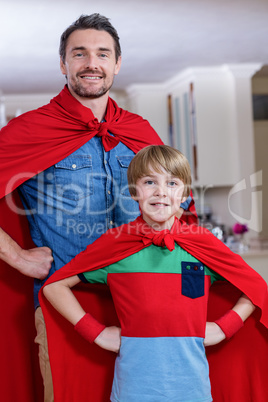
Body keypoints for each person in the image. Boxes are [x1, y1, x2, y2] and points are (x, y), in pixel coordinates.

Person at [0, 14, 197, 402]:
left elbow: (179, 219)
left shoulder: (141, 132)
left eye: (102, 54)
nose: (92, 63)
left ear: (117, 64)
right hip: (67, 308)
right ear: (64, 64)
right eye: (80, 54)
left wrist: (192, 302)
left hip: (146, 310)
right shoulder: (28, 130)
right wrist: (19, 258)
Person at [41, 145, 268, 402]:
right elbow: (54, 286)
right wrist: (96, 332)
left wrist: (223, 327)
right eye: (150, 182)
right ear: (135, 191)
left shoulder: (201, 242)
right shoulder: (116, 243)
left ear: (183, 193)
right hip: (131, 391)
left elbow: (256, 287)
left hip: (194, 391)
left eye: (172, 183)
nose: (161, 192)